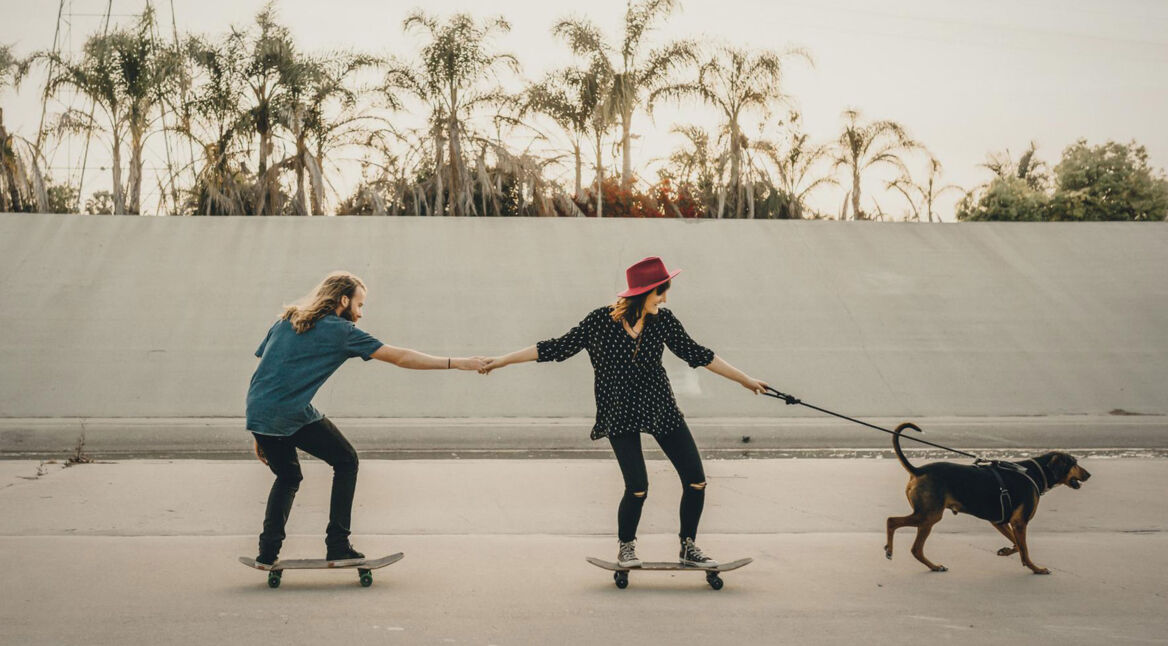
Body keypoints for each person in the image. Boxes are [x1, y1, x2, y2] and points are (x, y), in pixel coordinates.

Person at [481, 257, 767, 568]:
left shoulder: (664, 321)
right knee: (638, 487)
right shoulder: (600, 322)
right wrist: (501, 360)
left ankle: (688, 546)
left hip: (661, 408)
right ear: (643, 292)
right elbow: (555, 347)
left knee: (696, 480)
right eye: (661, 292)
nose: (665, 298)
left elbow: (699, 354)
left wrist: (745, 381)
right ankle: (627, 547)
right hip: (619, 413)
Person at [246, 271, 486, 567]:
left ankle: (267, 553)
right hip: (289, 413)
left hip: (259, 411)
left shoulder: (285, 321)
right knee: (346, 461)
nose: (359, 314)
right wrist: (456, 363)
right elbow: (400, 357)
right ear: (343, 300)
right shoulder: (339, 330)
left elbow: (263, 374)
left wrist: (259, 430)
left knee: (288, 476)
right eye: (359, 305)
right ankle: (338, 545)